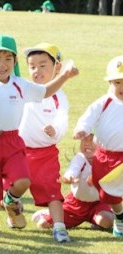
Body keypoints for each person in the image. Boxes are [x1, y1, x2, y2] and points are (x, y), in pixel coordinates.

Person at [0, 34, 78, 244]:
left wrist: (64, 76)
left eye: (8, 59)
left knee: (23, 180)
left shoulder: (20, 84)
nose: (2, 64)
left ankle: (11, 199)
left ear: (15, 62)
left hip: (13, 141)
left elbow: (45, 92)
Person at [18, 43, 70, 242]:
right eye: (32, 66)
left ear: (57, 67)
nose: (36, 70)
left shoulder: (59, 96)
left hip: (46, 154)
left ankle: (59, 227)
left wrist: (55, 129)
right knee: (12, 187)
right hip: (19, 151)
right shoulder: (25, 88)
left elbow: (62, 119)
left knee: (52, 191)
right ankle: (12, 207)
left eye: (42, 65)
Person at [73, 55, 123, 237]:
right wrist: (81, 129)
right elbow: (88, 117)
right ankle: (120, 215)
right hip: (105, 156)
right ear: (110, 83)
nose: (121, 87)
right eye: (117, 82)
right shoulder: (104, 102)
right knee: (106, 194)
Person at [31, 134, 114, 231]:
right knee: (43, 224)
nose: (87, 144)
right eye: (84, 140)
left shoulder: (106, 159)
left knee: (106, 222)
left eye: (92, 140)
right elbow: (73, 169)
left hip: (98, 203)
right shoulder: (80, 158)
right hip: (74, 204)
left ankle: (99, 218)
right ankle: (48, 212)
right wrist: (69, 177)